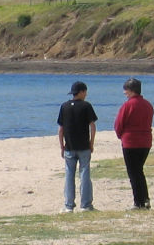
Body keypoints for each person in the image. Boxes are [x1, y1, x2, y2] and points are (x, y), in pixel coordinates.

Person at [57, 81, 98, 213]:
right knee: (84, 173)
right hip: (84, 146)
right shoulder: (86, 106)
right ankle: (85, 204)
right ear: (81, 92)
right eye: (85, 92)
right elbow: (92, 126)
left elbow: (60, 129)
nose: (86, 94)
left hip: (69, 145)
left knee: (69, 174)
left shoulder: (64, 106)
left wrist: (61, 146)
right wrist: (91, 143)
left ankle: (69, 205)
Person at [115, 78, 154, 210]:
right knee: (138, 171)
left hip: (131, 142)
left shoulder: (128, 105)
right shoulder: (148, 105)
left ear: (131, 91)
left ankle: (139, 202)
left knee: (133, 173)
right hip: (146, 141)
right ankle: (145, 198)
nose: (124, 92)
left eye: (126, 90)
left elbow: (119, 124)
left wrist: (121, 135)